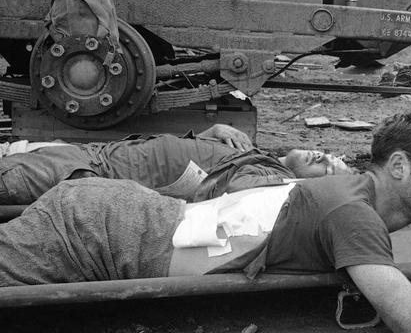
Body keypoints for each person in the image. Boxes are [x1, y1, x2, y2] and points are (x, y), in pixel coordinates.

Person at [0, 111, 411, 333]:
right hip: (103, 230)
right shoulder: (352, 215)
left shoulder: (353, 199)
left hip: (119, 219)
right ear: (400, 167)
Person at [0, 123, 349, 204]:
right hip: (89, 151)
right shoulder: (253, 152)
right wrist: (209, 133)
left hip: (83, 171)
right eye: (330, 154)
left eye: (328, 168)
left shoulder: (269, 176)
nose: (323, 156)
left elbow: (233, 189)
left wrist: (297, 187)